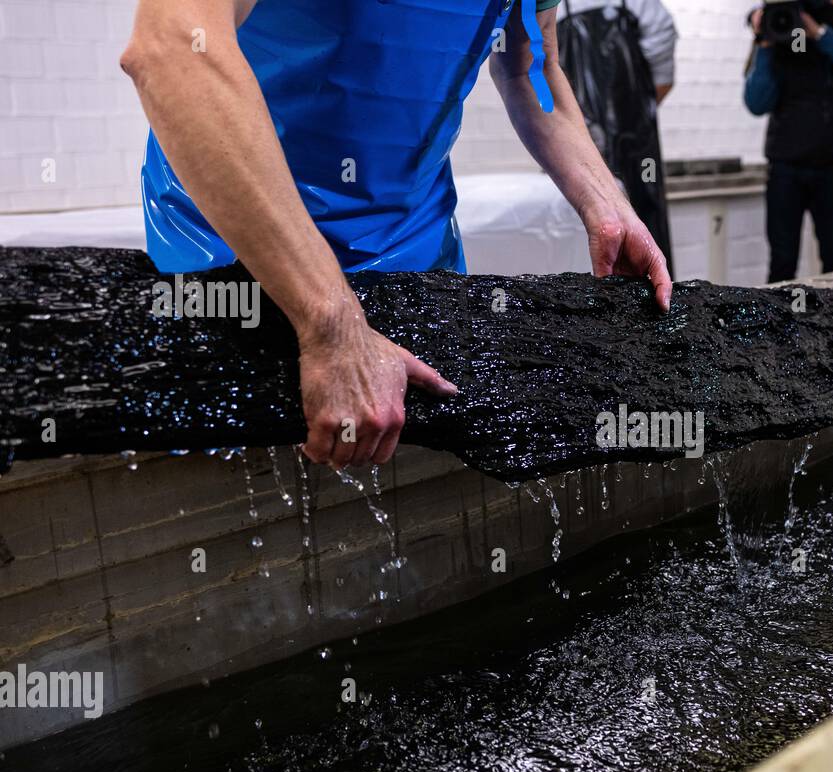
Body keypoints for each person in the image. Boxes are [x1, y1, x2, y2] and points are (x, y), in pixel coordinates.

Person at [121, 0, 672, 469]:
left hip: (415, 243)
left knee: (418, 470)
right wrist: (330, 323)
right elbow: (172, 49)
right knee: (240, 479)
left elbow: (534, 67)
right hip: (241, 238)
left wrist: (608, 204)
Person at [743, 0, 833, 284]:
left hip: (829, 168)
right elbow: (756, 102)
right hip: (784, 170)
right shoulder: (777, 46)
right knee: (782, 262)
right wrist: (764, 41)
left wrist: (818, 32)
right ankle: (777, 325)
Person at [557, 0, 678, 276]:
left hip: (636, 154)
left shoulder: (641, 6)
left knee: (645, 237)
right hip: (572, 154)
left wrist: (632, 120)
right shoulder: (552, 9)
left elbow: (660, 81)